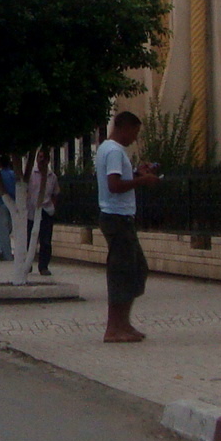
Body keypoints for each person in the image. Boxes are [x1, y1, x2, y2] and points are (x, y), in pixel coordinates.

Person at [97, 111, 159, 343]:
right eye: (135, 132)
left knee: (136, 269)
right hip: (117, 217)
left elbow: (117, 179)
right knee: (122, 272)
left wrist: (135, 174)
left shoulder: (106, 148)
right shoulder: (114, 151)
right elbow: (114, 185)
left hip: (118, 216)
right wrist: (143, 181)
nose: (135, 138)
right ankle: (114, 328)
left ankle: (124, 323)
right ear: (125, 128)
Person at [29, 149, 61, 277]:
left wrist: (52, 206)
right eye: (39, 157)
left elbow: (56, 193)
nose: (42, 160)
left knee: (46, 241)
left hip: (46, 211)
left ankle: (43, 266)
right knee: (30, 239)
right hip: (31, 212)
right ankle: (28, 264)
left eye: (44, 157)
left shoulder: (52, 177)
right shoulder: (31, 175)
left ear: (48, 160)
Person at [0, 161, 18, 262]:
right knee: (9, 229)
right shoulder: (13, 174)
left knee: (3, 232)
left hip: (1, 203)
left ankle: (6, 255)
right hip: (13, 203)